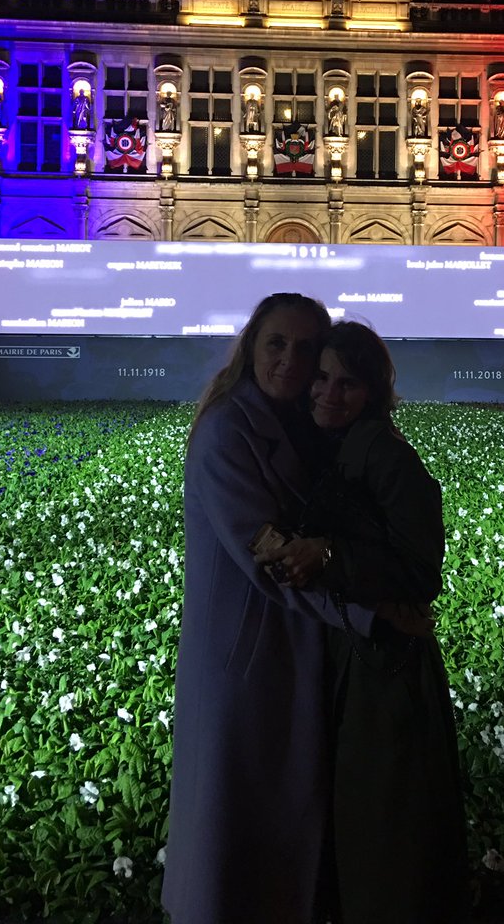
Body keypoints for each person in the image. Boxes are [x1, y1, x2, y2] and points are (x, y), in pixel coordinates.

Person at [162, 294, 382, 924]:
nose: (290, 359)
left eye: (306, 347)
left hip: (290, 648)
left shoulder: (307, 428)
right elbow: (267, 552)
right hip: (245, 657)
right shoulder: (227, 430)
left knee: (280, 822)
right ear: (252, 347)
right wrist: (370, 615)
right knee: (235, 825)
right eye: (277, 344)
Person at [265, 322, 468, 924]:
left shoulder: (384, 453)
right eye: (321, 379)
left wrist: (327, 555)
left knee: (385, 828)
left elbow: (421, 571)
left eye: (347, 384)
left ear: (374, 391)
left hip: (388, 668)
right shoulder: (336, 444)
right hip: (355, 655)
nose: (329, 393)